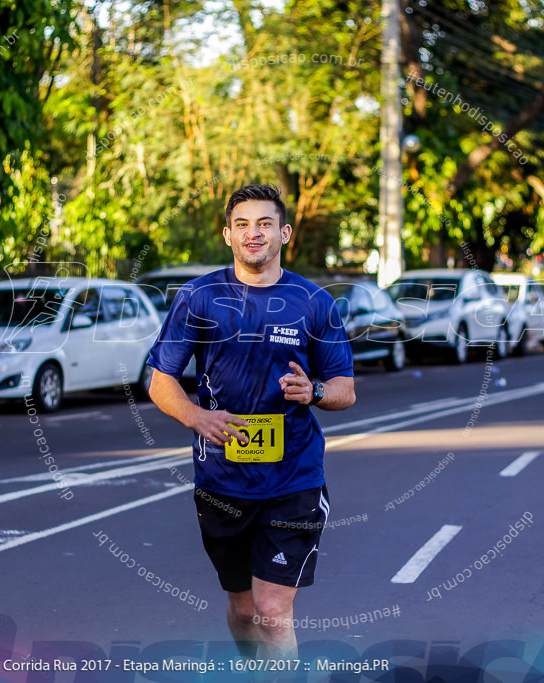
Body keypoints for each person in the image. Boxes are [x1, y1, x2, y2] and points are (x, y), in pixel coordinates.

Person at [146, 184, 356, 660]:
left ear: (284, 233)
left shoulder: (313, 301)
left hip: (294, 478)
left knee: (272, 611)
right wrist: (197, 417)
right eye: (242, 224)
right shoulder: (199, 298)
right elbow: (161, 383)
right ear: (227, 235)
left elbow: (345, 388)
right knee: (243, 611)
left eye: (264, 223)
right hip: (222, 480)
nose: (253, 233)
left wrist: (316, 391)